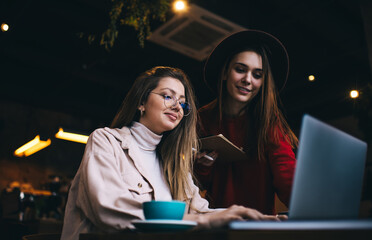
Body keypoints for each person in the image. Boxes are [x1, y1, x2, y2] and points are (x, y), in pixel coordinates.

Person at [61, 66, 281, 240]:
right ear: (141, 102)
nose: (177, 107)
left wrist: (250, 217)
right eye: (168, 96)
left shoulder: (174, 163)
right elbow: (108, 209)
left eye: (183, 103)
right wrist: (206, 222)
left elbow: (200, 212)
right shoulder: (106, 141)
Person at [194, 30, 298, 215]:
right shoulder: (202, 118)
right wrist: (202, 167)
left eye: (257, 74)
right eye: (240, 70)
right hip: (216, 223)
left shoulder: (269, 121)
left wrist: (312, 209)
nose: (248, 80)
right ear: (225, 72)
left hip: (259, 226)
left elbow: (287, 176)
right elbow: (194, 183)